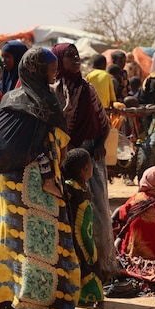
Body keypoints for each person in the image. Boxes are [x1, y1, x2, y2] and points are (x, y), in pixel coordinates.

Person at [0, 47, 80, 309]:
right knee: (51, 241)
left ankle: (1, 307)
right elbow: (59, 142)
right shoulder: (47, 100)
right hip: (38, 184)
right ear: (39, 71)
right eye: (51, 70)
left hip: (5, 183)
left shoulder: (10, 97)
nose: (54, 74)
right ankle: (54, 308)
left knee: (6, 239)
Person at [50, 42, 115, 283]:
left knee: (95, 211)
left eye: (77, 55)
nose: (76, 59)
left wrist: (99, 144)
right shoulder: (52, 91)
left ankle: (101, 268)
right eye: (69, 55)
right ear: (57, 60)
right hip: (61, 159)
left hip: (88, 159)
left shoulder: (87, 89)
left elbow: (104, 123)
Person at [62, 148, 104, 309]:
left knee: (91, 266)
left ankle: (98, 300)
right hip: (76, 235)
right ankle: (83, 302)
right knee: (81, 268)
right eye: (90, 165)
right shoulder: (70, 188)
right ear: (85, 169)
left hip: (85, 235)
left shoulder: (82, 186)